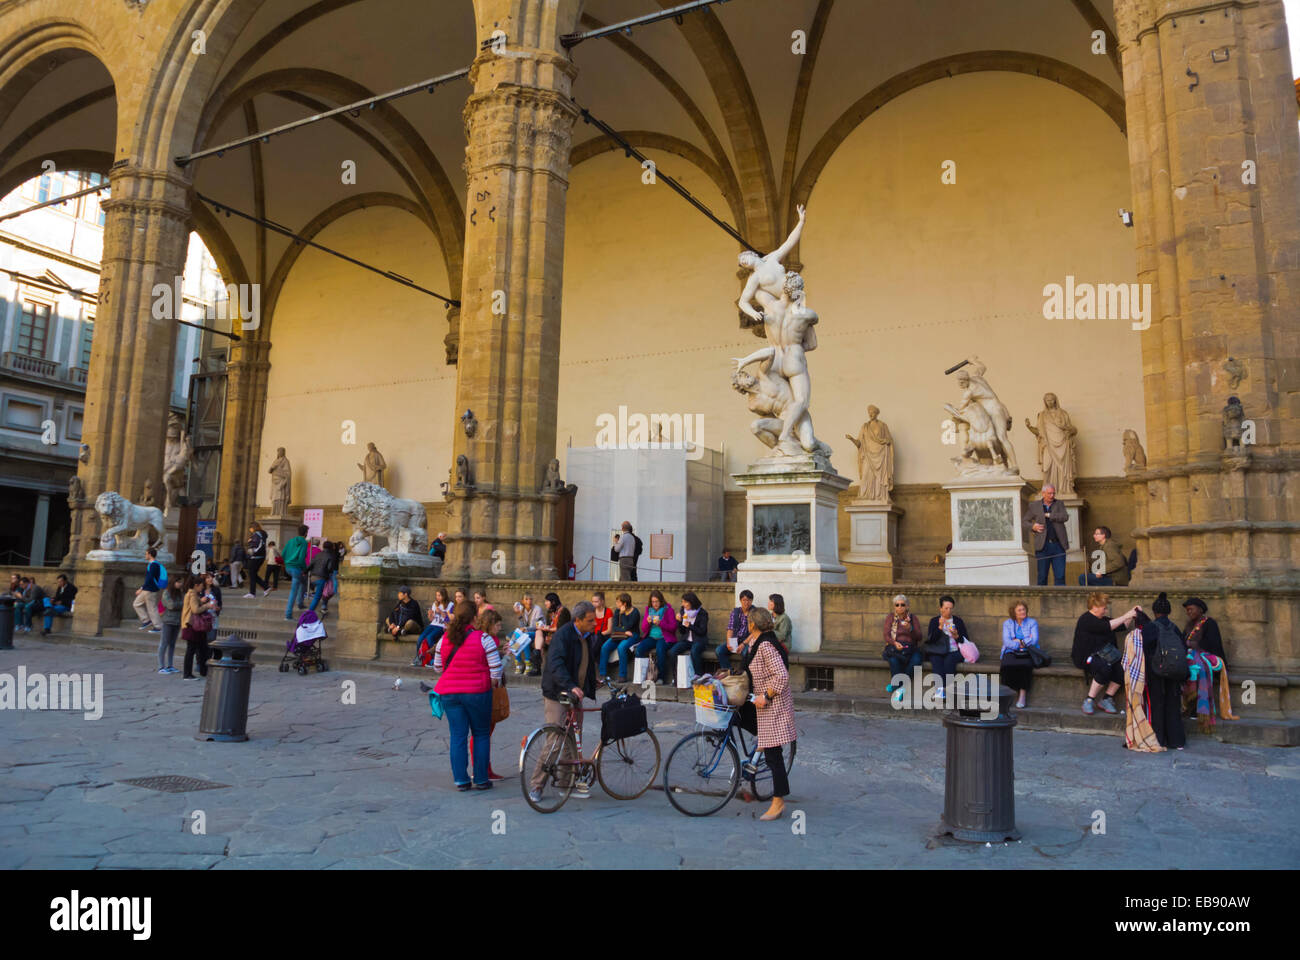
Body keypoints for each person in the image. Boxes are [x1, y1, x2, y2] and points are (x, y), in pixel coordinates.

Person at [530, 600, 601, 802]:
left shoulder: (587, 635)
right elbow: (556, 663)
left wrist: (590, 680)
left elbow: (584, 661)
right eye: (590, 620)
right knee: (555, 738)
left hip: (575, 693)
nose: (594, 623)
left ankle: (565, 783)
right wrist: (570, 685)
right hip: (558, 692)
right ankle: (537, 785)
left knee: (573, 738)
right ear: (577, 620)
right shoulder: (563, 635)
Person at [430, 600, 501, 790]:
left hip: (450, 694)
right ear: (474, 618)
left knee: (458, 735)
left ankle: (461, 780)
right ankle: (480, 779)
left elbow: (437, 668)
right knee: (481, 734)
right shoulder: (484, 639)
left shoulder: (444, 639)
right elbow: (496, 672)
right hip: (478, 693)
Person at [740, 606, 796, 821]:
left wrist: (767, 696)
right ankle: (757, 749)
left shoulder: (765, 645)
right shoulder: (757, 641)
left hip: (773, 705)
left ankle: (778, 801)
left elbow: (781, 676)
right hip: (760, 704)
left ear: (753, 624)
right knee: (740, 719)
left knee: (774, 757)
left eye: (748, 621)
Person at [1071, 591, 1141, 715]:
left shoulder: (1103, 619)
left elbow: (1122, 626)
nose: (1105, 610)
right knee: (1105, 668)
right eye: (1104, 607)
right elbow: (1107, 626)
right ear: (1095, 607)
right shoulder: (1086, 619)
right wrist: (1126, 615)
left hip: (1105, 655)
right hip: (1087, 656)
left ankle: (1107, 698)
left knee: (1123, 668)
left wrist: (1132, 614)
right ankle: (1089, 700)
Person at [467, 606, 507, 782]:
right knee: (482, 732)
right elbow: (490, 664)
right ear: (490, 624)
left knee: (484, 731)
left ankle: (485, 768)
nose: (499, 628)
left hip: (480, 687)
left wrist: (502, 653)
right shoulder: (486, 639)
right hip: (484, 687)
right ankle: (481, 769)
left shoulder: (487, 638)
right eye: (497, 625)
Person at [1144, 593, 1187, 749]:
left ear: (1155, 612)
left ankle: (1159, 740)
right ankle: (1177, 741)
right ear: (1169, 612)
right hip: (1175, 673)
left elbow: (1146, 650)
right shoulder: (1175, 628)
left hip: (1157, 673)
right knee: (1173, 705)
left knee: (1158, 705)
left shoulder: (1150, 628)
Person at [1120, 609, 1164, 752]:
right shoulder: (1156, 631)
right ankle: (1152, 735)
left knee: (1137, 708)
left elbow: (1126, 661)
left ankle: (1141, 736)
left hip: (1137, 679)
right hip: (1155, 674)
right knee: (1151, 707)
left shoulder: (1133, 636)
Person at [1023, 483, 1069, 586]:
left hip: (1058, 545)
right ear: (1043, 494)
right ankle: (1042, 601)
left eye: (1053, 493)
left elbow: (1065, 517)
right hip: (1042, 546)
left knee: (1060, 576)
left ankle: (1060, 601)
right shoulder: (1034, 506)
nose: (1052, 496)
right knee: (1042, 576)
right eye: (1049, 493)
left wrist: (1050, 515)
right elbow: (1024, 522)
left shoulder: (1059, 504)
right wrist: (1033, 526)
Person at [924, 595, 968, 701]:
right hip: (937, 650)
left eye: (950, 608)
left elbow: (965, 640)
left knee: (949, 661)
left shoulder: (958, 621)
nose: (948, 611)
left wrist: (957, 636)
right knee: (936, 660)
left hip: (954, 651)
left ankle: (947, 691)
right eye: (946, 608)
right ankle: (940, 691)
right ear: (941, 609)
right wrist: (939, 627)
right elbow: (931, 640)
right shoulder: (934, 621)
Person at [999, 600, 1041, 709]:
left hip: (1028, 652)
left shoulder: (1032, 622)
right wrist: (1021, 643)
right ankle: (1007, 693)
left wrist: (1018, 641)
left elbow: (1035, 640)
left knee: (1025, 666)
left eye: (1024, 609)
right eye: (1020, 610)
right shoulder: (1007, 623)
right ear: (1014, 612)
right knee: (1006, 665)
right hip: (1011, 650)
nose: (1023, 612)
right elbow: (1006, 641)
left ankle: (1022, 695)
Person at [882, 594, 923, 697]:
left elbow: (919, 637)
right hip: (894, 647)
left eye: (902, 604)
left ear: (907, 606)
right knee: (893, 661)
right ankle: (900, 689)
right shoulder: (890, 617)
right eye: (897, 605)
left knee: (917, 661)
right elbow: (886, 635)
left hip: (910, 648)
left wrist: (910, 628)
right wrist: (894, 643)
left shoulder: (913, 618)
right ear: (894, 606)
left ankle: (896, 686)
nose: (899, 607)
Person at [634, 590, 677, 682]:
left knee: (660, 649)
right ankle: (642, 675)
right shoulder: (649, 610)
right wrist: (647, 622)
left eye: (657, 601)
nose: (655, 604)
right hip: (652, 637)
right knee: (639, 649)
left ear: (661, 601)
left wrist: (661, 623)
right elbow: (644, 629)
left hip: (664, 637)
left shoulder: (668, 610)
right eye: (653, 602)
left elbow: (673, 627)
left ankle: (661, 677)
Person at [598, 592, 642, 682]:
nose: (616, 604)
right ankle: (602, 674)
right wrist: (624, 631)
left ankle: (622, 675)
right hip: (620, 634)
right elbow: (614, 627)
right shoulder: (617, 611)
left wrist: (623, 615)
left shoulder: (635, 612)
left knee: (621, 647)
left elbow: (628, 625)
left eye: (618, 602)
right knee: (605, 647)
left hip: (633, 635)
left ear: (624, 604)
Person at [667, 591, 709, 684]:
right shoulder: (683, 611)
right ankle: (676, 677)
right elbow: (682, 631)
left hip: (699, 640)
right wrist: (679, 622)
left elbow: (703, 631)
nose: (683, 604)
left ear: (692, 602)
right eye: (682, 602)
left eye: (685, 602)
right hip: (686, 640)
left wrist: (690, 625)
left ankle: (699, 675)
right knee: (672, 651)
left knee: (694, 651)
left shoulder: (702, 613)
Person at [181, 575, 216, 680]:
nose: (202, 588)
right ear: (196, 585)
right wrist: (207, 606)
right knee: (192, 649)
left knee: (202, 648)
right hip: (192, 625)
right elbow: (195, 610)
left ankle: (203, 671)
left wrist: (203, 601)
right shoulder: (192, 594)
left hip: (194, 626)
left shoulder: (193, 594)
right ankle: (187, 674)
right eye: (201, 586)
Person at [716, 590, 755, 672]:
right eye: (744, 600)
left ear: (752, 601)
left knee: (746, 653)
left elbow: (755, 632)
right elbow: (730, 628)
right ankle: (729, 672)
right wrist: (729, 642)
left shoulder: (755, 612)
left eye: (749, 600)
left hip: (748, 641)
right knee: (719, 650)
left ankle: (744, 674)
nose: (746, 602)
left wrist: (744, 644)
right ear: (740, 600)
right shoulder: (735, 612)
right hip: (735, 640)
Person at [532, 592, 569, 677]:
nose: (545, 603)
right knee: (538, 632)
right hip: (550, 634)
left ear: (553, 602)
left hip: (561, 635)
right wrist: (544, 627)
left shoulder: (563, 611)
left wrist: (547, 628)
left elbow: (560, 628)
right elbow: (549, 625)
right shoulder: (550, 612)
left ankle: (536, 666)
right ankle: (537, 652)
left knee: (539, 637)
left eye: (547, 601)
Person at [414, 587, 452, 666]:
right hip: (433, 624)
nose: (437, 597)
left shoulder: (450, 604)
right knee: (420, 638)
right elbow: (431, 619)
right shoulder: (435, 604)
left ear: (444, 596)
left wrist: (441, 612)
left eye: (439, 595)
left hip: (441, 626)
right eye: (436, 595)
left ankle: (434, 658)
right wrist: (430, 614)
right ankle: (418, 657)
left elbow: (449, 619)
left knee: (429, 637)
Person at [132, 547, 166, 632]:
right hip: (148, 589)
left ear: (150, 555)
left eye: (146, 554)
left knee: (152, 608)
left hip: (150, 589)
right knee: (136, 604)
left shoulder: (154, 565)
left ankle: (158, 626)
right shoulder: (153, 564)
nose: (145, 555)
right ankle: (146, 620)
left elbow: (150, 579)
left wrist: (141, 588)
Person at [281, 524, 309, 620]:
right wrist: (305, 569)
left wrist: (287, 563)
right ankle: (288, 614)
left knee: (303, 582)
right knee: (294, 591)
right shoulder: (304, 542)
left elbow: (283, 554)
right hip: (297, 568)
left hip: (288, 567)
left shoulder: (290, 541)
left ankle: (300, 603)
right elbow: (301, 558)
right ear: (306, 533)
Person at [157, 578, 184, 674]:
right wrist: (180, 604)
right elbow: (171, 605)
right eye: (178, 582)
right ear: (173, 582)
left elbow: (183, 604)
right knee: (164, 643)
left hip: (177, 621)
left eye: (181, 582)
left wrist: (179, 604)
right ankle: (161, 666)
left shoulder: (180, 593)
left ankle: (170, 665)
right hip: (168, 621)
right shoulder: (166, 593)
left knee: (172, 644)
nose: (180, 584)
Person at [514, 591, 545, 675]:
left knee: (524, 636)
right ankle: (519, 662)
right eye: (526, 599)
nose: (529, 601)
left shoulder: (537, 609)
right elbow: (522, 626)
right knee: (515, 635)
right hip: (527, 633)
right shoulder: (523, 610)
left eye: (531, 599)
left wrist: (525, 628)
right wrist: (519, 615)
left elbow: (538, 626)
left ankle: (528, 663)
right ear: (522, 601)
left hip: (537, 633)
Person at [306, 540, 337, 614]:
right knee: (319, 596)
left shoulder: (318, 554)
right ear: (331, 547)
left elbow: (311, 564)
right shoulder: (330, 556)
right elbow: (329, 569)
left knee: (323, 593)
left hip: (313, 577)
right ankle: (309, 612)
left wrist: (305, 572)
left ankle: (323, 607)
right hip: (321, 578)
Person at [243, 522, 270, 597]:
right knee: (253, 574)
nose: (250, 530)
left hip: (255, 557)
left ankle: (252, 593)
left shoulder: (257, 534)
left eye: (250, 528)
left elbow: (257, 545)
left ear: (253, 527)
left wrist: (251, 546)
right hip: (260, 556)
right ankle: (266, 587)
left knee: (251, 574)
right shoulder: (262, 534)